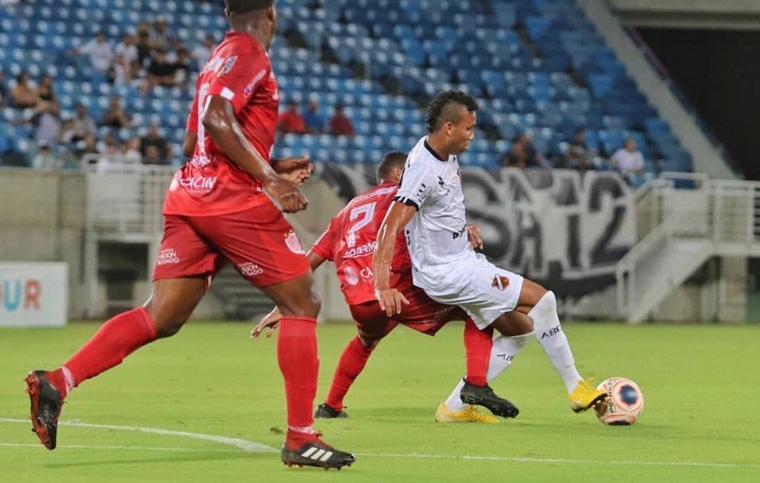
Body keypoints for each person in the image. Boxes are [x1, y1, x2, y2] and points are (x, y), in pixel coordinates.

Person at [24, 0, 355, 471]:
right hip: (231, 202)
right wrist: (269, 179)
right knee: (303, 302)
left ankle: (59, 380)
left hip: (190, 198)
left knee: (161, 316)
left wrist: (273, 163)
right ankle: (301, 438)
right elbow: (218, 121)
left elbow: (193, 142)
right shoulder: (249, 54)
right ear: (271, 12)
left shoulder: (217, 58)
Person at [373, 91, 607, 417]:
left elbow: (435, 211)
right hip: (447, 271)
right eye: (468, 129)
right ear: (449, 128)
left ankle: (453, 408)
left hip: (459, 261)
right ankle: (576, 388)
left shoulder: (442, 155)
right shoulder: (424, 169)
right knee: (543, 300)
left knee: (520, 331)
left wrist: (460, 227)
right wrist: (382, 284)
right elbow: (390, 225)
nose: (472, 136)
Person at [251, 152, 529, 423]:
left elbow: (312, 258)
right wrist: (463, 229)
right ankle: (477, 384)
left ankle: (331, 405)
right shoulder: (403, 196)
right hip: (398, 289)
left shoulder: (348, 210)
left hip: (360, 301)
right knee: (476, 304)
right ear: (399, 174)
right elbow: (435, 224)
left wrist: (282, 303)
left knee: (365, 341)